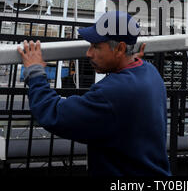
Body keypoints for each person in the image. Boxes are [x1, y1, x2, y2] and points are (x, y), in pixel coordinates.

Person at [17, 11, 171, 176]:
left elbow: (53, 113)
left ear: (120, 48)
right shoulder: (149, 72)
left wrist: (35, 72)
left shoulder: (112, 94)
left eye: (96, 46)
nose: (88, 53)